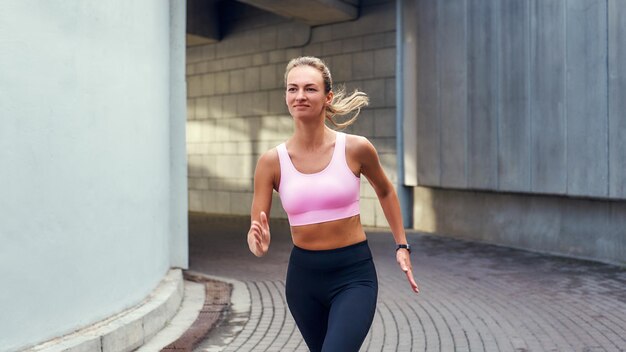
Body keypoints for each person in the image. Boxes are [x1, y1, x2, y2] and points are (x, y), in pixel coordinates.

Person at [247, 56, 419, 352]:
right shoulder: (271, 162)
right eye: (292, 89)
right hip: (303, 281)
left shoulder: (355, 148)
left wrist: (401, 245)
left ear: (327, 97)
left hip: (353, 275)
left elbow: (386, 191)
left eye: (310, 89)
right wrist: (257, 244)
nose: (300, 96)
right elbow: (255, 228)